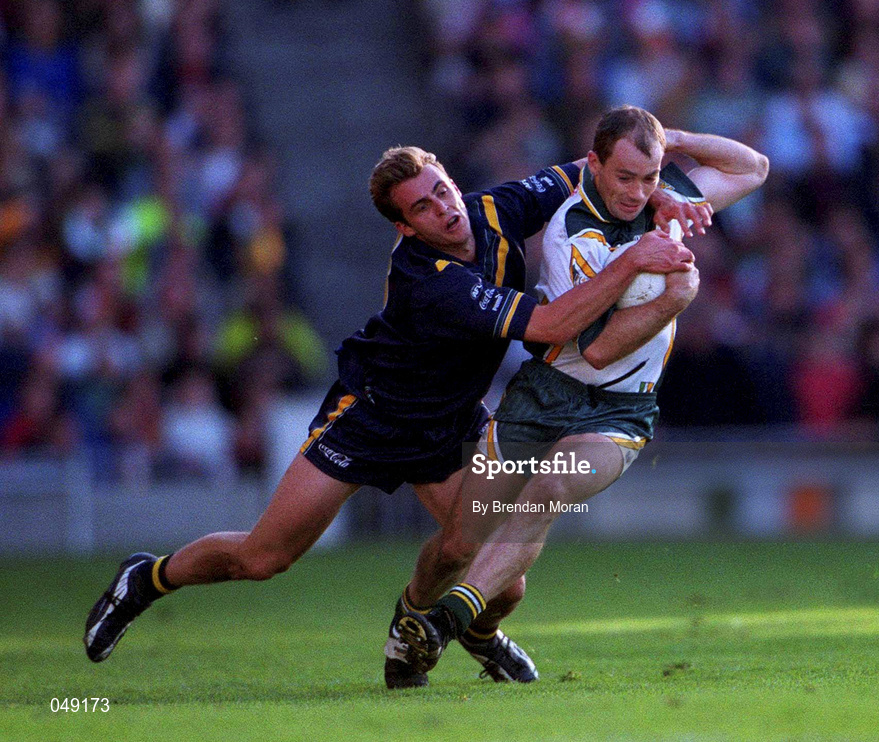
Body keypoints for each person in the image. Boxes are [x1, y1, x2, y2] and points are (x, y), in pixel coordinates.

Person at [83, 144, 700, 689]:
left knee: (501, 581)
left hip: (450, 423)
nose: (443, 208)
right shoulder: (426, 277)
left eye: (442, 190)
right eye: (424, 208)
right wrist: (635, 259)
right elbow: (551, 325)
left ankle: (456, 632)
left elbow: (607, 167)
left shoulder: (492, 209)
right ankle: (149, 577)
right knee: (264, 559)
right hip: (372, 419)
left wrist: (669, 186)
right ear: (405, 228)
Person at [396, 106, 769, 677]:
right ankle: (416, 619)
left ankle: (448, 623)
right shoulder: (573, 231)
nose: (637, 193)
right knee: (460, 543)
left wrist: (676, 144)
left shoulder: (662, 195)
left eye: (649, 178)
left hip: (620, 407)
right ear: (593, 165)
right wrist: (673, 298)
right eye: (624, 177)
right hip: (544, 396)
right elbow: (597, 348)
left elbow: (754, 167)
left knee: (550, 489)